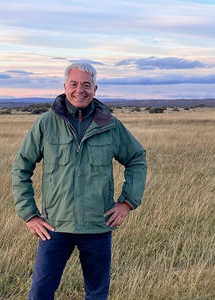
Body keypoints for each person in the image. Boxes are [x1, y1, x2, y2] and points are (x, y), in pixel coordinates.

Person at [11, 62, 147, 300]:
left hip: (97, 225)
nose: (79, 90)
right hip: (54, 227)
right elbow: (21, 166)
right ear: (65, 86)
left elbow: (137, 157)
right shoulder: (46, 123)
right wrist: (29, 215)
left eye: (86, 85)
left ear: (95, 88)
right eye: (73, 84)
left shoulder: (110, 125)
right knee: (40, 294)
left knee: (97, 294)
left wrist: (127, 203)